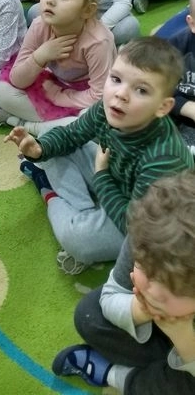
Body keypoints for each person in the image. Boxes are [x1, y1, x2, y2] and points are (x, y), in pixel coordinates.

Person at [4, 36, 193, 275]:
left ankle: (49, 192)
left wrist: (102, 177)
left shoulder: (164, 159)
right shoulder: (109, 108)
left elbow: (136, 228)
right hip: (113, 176)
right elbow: (72, 135)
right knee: (52, 137)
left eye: (141, 90)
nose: (120, 94)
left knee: (78, 241)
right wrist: (39, 150)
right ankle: (83, 211)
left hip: (145, 223)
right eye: (116, 79)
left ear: (162, 107)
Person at [52, 169, 195, 394]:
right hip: (157, 335)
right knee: (88, 314)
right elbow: (111, 295)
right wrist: (142, 310)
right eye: (143, 267)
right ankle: (157, 371)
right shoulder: (148, 236)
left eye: (172, 289)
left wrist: (182, 336)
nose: (152, 290)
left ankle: (114, 374)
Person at [0, 0, 116, 135]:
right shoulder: (39, 25)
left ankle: (27, 125)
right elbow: (17, 79)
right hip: (52, 83)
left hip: (82, 95)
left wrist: (61, 97)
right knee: (1, 91)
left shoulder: (98, 42)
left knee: (94, 117)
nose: (50, 0)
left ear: (87, 10)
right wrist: (40, 56)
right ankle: (52, 127)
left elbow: (99, 96)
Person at [162, 0, 195, 147]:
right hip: (172, 107)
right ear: (192, 23)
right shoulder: (177, 45)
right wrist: (186, 107)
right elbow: (157, 86)